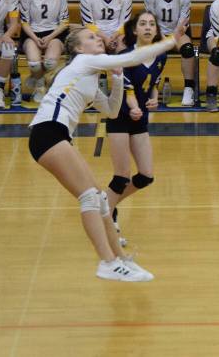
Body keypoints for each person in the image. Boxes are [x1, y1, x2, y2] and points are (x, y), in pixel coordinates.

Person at [28, 23, 184, 282]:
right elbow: (133, 56)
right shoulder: (84, 62)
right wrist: (170, 41)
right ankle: (107, 262)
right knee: (89, 197)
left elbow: (111, 110)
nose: (98, 39)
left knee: (99, 199)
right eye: (91, 37)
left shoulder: (89, 77)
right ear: (79, 48)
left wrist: (115, 78)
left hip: (56, 134)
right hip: (47, 131)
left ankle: (121, 260)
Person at [104, 11, 167, 246]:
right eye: (143, 24)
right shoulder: (125, 56)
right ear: (134, 30)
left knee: (146, 176)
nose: (148, 27)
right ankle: (108, 218)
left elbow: (154, 83)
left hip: (140, 117)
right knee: (121, 177)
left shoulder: (160, 56)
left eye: (152, 24)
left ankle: (108, 203)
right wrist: (133, 107)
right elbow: (128, 91)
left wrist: (154, 98)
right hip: (120, 116)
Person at [143, 0, 196, 106]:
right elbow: (151, 21)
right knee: (155, 50)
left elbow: (183, 22)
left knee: (188, 49)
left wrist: (173, 38)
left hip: (178, 34)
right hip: (157, 34)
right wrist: (163, 39)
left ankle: (189, 88)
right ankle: (152, 87)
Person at [19, 0, 70, 103]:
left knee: (49, 63)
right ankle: (40, 83)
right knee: (34, 64)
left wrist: (49, 37)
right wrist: (36, 39)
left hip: (55, 33)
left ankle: (39, 81)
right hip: (32, 33)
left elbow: (64, 22)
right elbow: (24, 22)